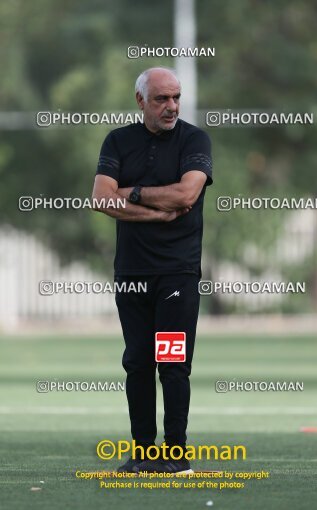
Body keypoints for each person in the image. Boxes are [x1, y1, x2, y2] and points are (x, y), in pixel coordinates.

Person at [92, 66, 213, 473]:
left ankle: (176, 455)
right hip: (131, 274)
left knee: (173, 362)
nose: (172, 106)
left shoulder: (194, 139)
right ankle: (144, 453)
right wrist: (156, 214)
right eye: (162, 98)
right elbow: (102, 199)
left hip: (177, 273)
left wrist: (133, 193)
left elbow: (187, 193)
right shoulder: (118, 140)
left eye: (176, 97)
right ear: (141, 100)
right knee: (138, 362)